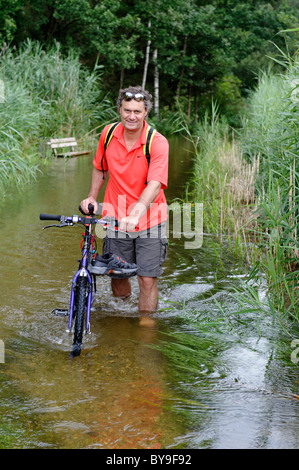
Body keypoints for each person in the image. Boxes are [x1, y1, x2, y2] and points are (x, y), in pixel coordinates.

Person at [80, 86, 169, 313]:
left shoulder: (157, 142)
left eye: (137, 111)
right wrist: (91, 197)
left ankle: (145, 327)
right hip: (115, 216)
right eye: (127, 110)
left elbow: (155, 183)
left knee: (146, 279)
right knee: (118, 275)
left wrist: (135, 213)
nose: (131, 116)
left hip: (150, 220)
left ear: (146, 112)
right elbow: (100, 169)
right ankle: (121, 316)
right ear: (120, 109)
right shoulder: (108, 134)